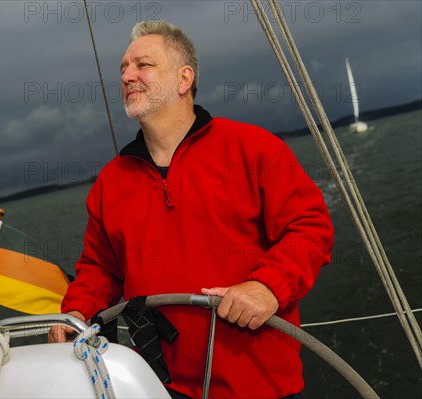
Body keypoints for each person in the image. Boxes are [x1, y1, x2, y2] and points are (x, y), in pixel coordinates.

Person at [49, 20, 334, 399]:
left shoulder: (251, 149)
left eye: (142, 65)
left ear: (184, 79)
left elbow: (310, 228)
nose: (128, 76)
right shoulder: (111, 182)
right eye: (123, 69)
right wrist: (76, 313)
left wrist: (268, 286)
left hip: (257, 384)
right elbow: (100, 268)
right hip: (157, 384)